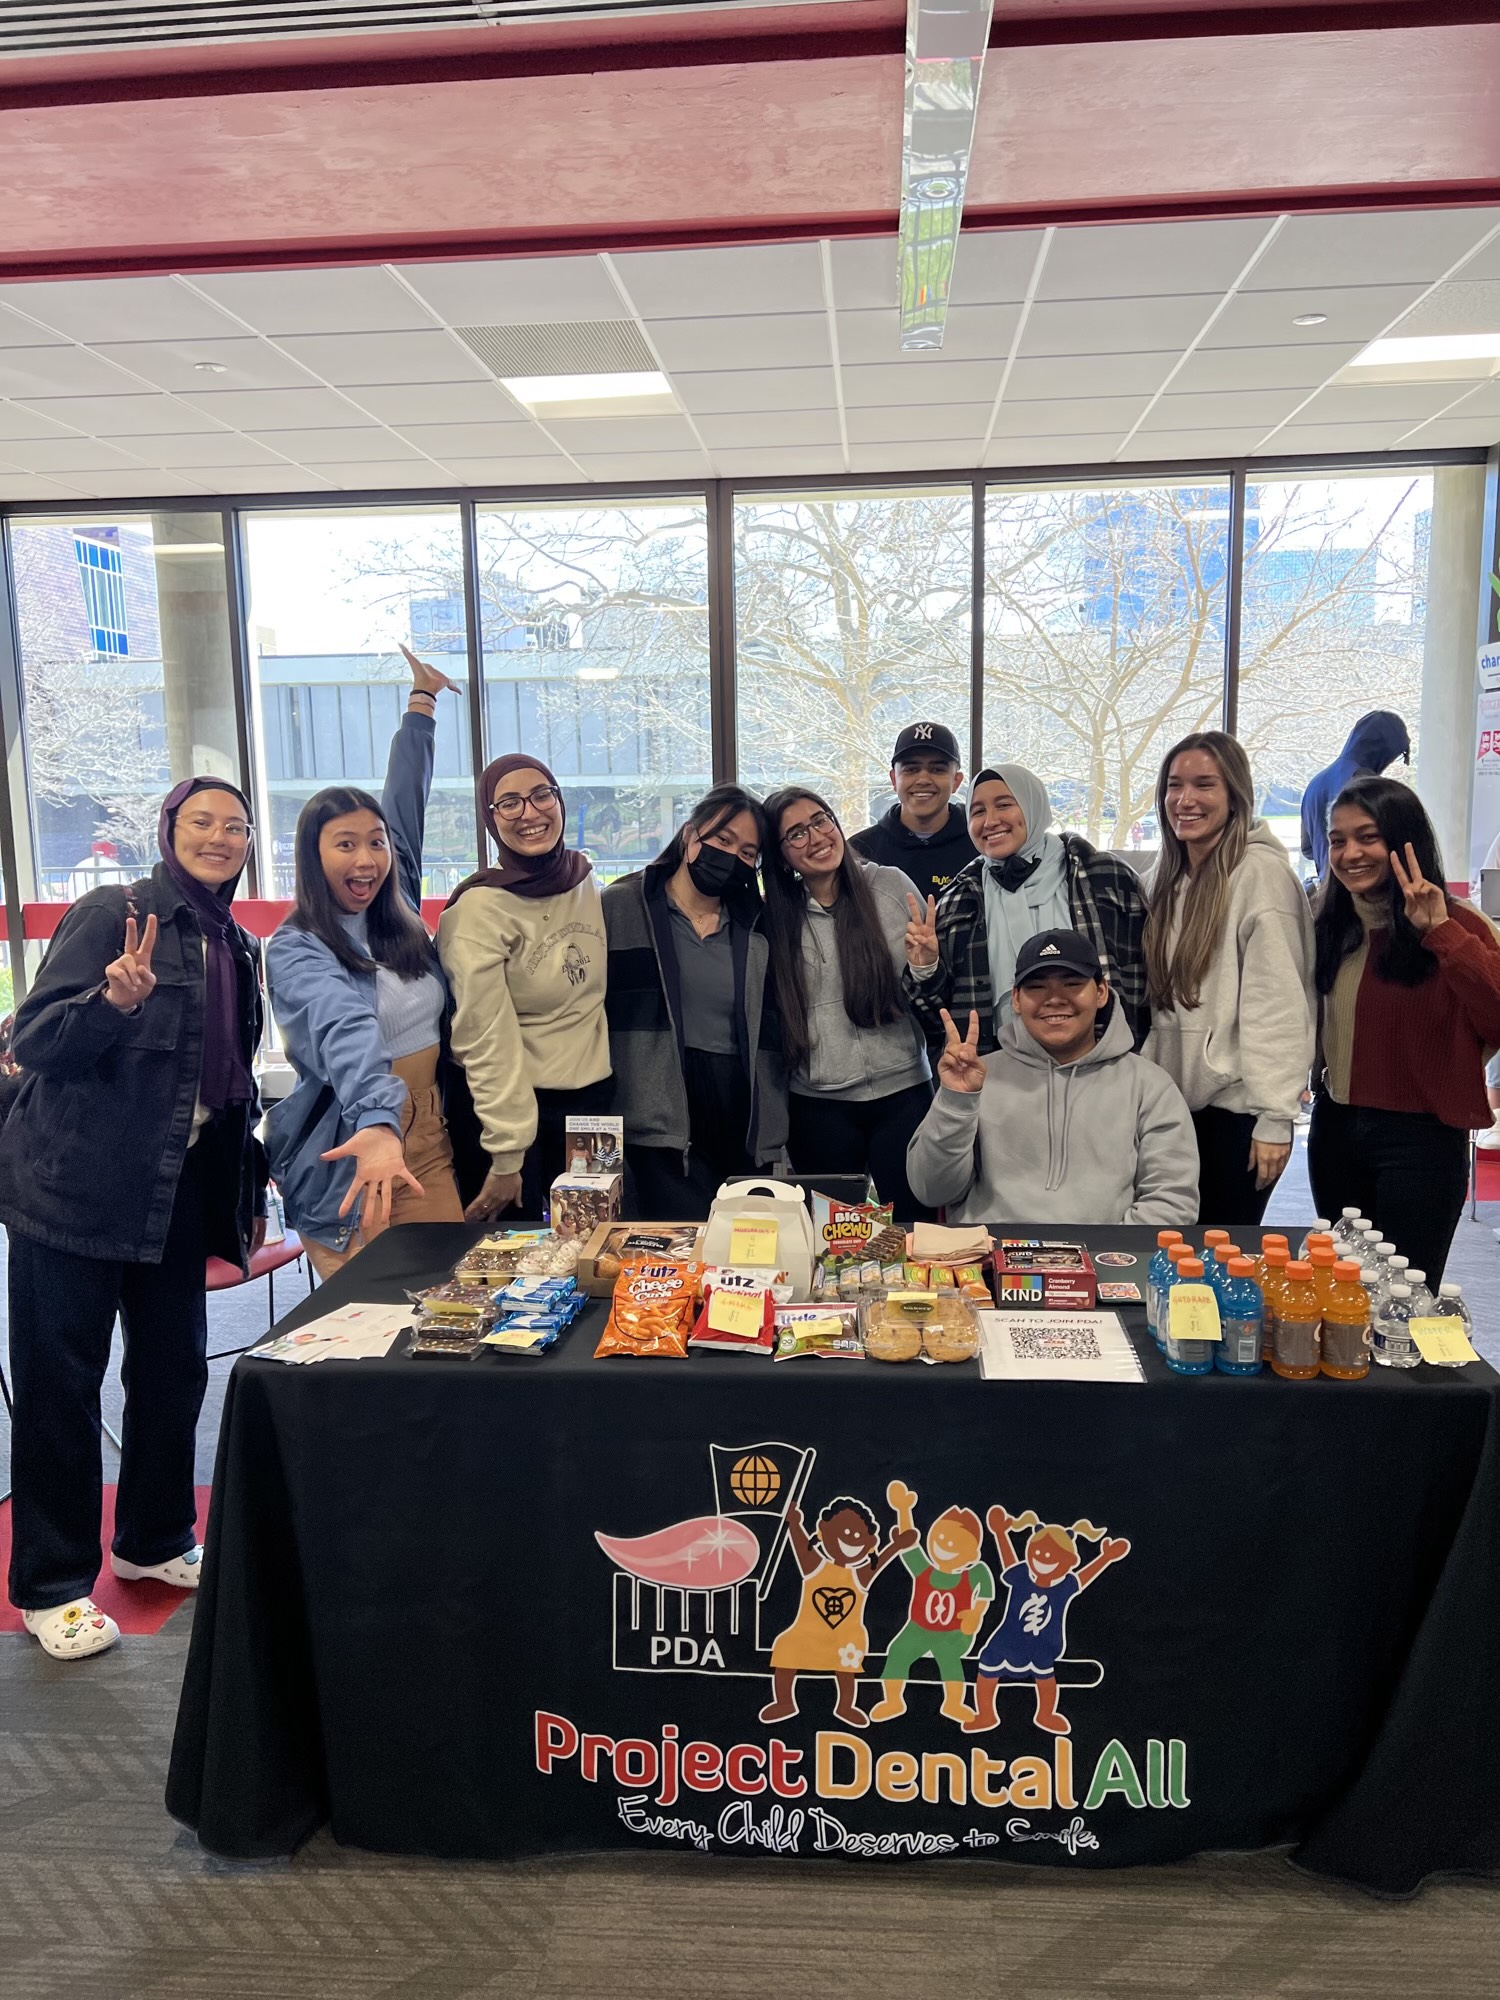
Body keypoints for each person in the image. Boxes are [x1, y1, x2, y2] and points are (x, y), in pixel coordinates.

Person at [0, 777, 265, 1659]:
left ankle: (152, 1539)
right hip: (73, 1184)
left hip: (176, 1187)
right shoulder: (115, 914)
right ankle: (50, 1582)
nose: (220, 837)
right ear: (168, 831)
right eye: (202, 823)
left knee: (171, 1373)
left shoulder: (235, 942)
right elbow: (32, 1041)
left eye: (235, 825)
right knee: (60, 1388)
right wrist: (112, 1002)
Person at [266, 648, 466, 1280]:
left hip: (429, 1139)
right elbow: (344, 1031)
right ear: (312, 854)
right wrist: (380, 1124)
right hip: (354, 1146)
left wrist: (422, 706)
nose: (367, 859)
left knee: (453, 1309)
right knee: (374, 1335)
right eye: (344, 844)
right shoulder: (297, 947)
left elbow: (404, 803)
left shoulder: (395, 901)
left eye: (373, 843)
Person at [1308, 776, 1500, 1285]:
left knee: (1405, 1296)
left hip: (1421, 1141)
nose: (1350, 853)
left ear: (1403, 840)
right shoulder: (1325, 924)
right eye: (1337, 839)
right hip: (1336, 1128)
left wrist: (1439, 932)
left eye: (1367, 837)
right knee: (1340, 1289)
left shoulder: (1460, 923)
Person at [906, 929, 1197, 1226]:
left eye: (1072, 984)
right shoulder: (974, 1079)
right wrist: (956, 1101)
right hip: (990, 1260)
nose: (1055, 999)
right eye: (1036, 987)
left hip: (1104, 1264)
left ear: (1101, 993)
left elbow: (1172, 1201)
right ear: (1016, 999)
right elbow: (932, 1191)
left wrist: (1104, 1259)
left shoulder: (1150, 1085)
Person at [1142, 731, 1314, 1228]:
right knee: (1169, 1256)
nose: (1186, 799)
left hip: (1236, 1114)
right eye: (1175, 785)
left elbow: (1278, 1005)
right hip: (1171, 1107)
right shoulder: (1163, 876)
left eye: (1204, 784)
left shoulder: (1261, 876)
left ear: (1235, 794)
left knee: (1221, 1261)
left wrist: (1275, 1118)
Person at [603, 785, 787, 1219]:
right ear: (690, 838)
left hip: (740, 1110)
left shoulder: (757, 926)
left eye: (747, 852)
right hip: (658, 1112)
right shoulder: (622, 907)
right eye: (722, 841)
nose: (732, 857)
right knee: (677, 1250)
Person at [438, 753, 609, 1222]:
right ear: (489, 819)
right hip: (512, 1112)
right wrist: (507, 1153)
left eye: (541, 795)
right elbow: (484, 1038)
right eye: (508, 803)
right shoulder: (479, 911)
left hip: (591, 1106)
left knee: (590, 1244)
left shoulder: (584, 880)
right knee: (513, 1265)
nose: (530, 813)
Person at [761, 786, 934, 1222]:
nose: (817, 837)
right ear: (781, 855)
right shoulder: (774, 917)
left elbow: (930, 997)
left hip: (903, 1092)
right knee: (833, 1241)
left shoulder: (890, 886)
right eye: (796, 833)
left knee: (915, 1229)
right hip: (818, 1105)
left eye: (821, 820)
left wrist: (927, 965)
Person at [904, 763, 1150, 1055]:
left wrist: (1131, 1050)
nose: (990, 821)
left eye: (1004, 804)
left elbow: (1143, 977)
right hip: (999, 1070)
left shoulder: (1104, 876)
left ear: (1033, 804)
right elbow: (934, 1019)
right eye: (977, 811)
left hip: (1098, 1063)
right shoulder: (959, 900)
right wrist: (925, 969)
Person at [849, 722, 977, 905]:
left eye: (937, 770)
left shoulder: (980, 845)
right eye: (911, 769)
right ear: (894, 779)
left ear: (956, 781)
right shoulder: (859, 850)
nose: (923, 779)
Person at [1300, 710, 1410, 877]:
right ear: (1385, 750)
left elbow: (1307, 849)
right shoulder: (1367, 785)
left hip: (1326, 893)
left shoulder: (1314, 784)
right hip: (1363, 893)